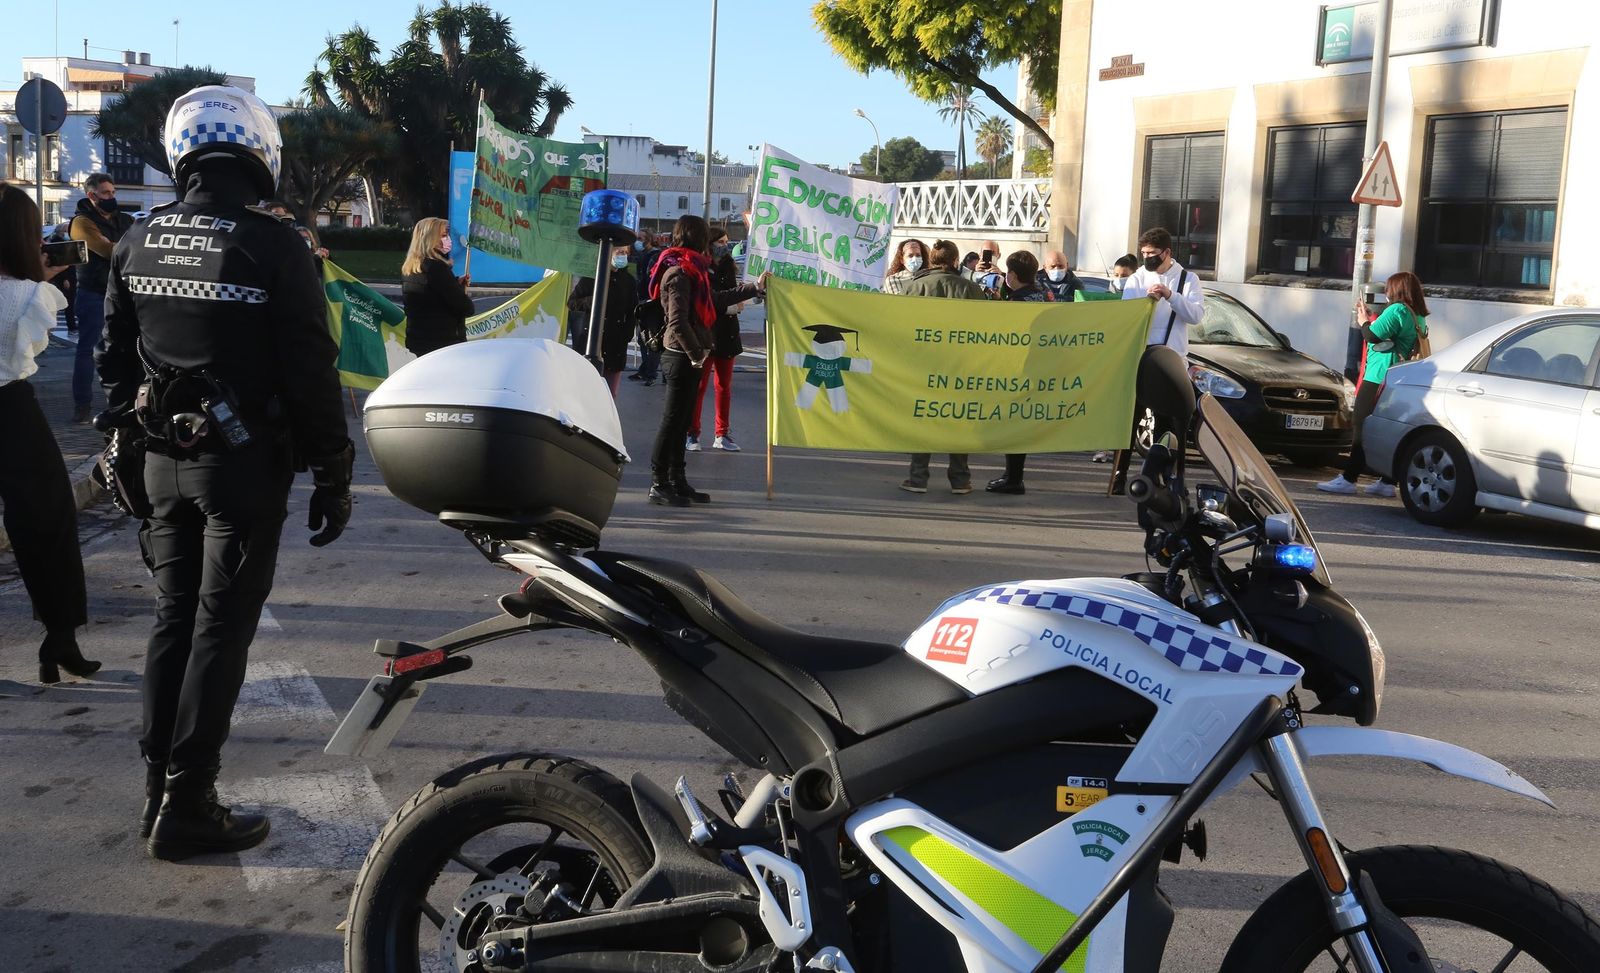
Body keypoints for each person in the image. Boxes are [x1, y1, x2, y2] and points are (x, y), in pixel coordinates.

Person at [96, 85, 353, 861]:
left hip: (159, 465)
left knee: (174, 618)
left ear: (183, 152)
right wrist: (333, 469)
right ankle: (189, 800)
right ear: (259, 152)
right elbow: (311, 366)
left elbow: (112, 368)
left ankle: (156, 791)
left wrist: (125, 446)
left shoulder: (135, 241)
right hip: (239, 465)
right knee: (221, 626)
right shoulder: (273, 245)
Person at [0, 183, 100, 684]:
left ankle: (60, 642)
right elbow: (27, 354)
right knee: (48, 521)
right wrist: (37, 278)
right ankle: (60, 637)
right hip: (11, 408)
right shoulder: (28, 295)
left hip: (13, 407)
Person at [648, 215, 765, 507]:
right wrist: (697, 355)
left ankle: (678, 479)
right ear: (697, 239)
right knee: (672, 422)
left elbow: (715, 298)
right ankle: (659, 483)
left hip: (689, 355)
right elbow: (677, 322)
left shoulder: (694, 271)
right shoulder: (679, 272)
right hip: (680, 356)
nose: (715, 247)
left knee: (682, 421)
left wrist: (753, 287)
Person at [1318, 271, 1430, 498]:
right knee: (1390, 427)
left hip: (1379, 375)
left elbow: (1372, 335)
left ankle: (1349, 478)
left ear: (1396, 290)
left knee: (1361, 424)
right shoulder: (1418, 315)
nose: (1386, 293)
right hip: (1400, 377)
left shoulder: (1397, 309)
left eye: (1388, 289)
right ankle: (1387, 481)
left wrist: (1363, 321)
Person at [1110, 228, 1205, 492]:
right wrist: (1145, 301)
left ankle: (1162, 475)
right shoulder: (1138, 278)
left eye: (1152, 254)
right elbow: (1127, 315)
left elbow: (1196, 315)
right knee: (1131, 418)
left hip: (1171, 359)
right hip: (1141, 357)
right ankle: (1120, 474)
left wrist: (1170, 295)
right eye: (1144, 254)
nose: (1148, 258)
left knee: (1166, 422)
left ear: (1167, 252)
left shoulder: (1187, 278)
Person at [900, 239, 986, 495]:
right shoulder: (971, 289)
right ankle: (960, 479)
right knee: (960, 420)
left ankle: (918, 478)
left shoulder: (915, 287)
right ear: (956, 261)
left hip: (924, 365)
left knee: (923, 418)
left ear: (931, 260)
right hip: (962, 366)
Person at [69, 173, 134, 422]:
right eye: (106, 193)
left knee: (126, 348)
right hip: (93, 293)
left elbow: (133, 247)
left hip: (122, 293)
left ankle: (122, 403)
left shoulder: (125, 219)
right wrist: (118, 245)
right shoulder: (81, 223)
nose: (112, 197)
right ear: (92, 195)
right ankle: (82, 406)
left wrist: (116, 245)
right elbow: (108, 250)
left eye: (113, 192)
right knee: (87, 350)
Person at [988, 250, 1051, 496]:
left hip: (1021, 368)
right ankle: (1011, 474)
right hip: (1043, 364)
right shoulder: (1045, 294)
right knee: (1022, 421)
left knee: (1015, 422)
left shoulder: (1017, 302)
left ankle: (1014, 478)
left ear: (1012, 274)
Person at [686, 228, 745, 452]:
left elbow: (733, 294)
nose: (725, 245)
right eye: (721, 241)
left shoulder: (729, 266)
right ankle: (692, 433)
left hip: (727, 334)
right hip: (706, 334)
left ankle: (722, 434)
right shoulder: (701, 267)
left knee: (724, 386)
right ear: (709, 243)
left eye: (727, 241)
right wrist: (730, 306)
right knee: (699, 386)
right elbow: (707, 300)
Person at [566, 247, 637, 396]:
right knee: (586, 391)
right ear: (608, 253)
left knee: (609, 394)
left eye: (625, 253)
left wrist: (627, 334)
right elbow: (572, 303)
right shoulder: (592, 277)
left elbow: (633, 311)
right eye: (620, 252)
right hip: (591, 341)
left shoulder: (628, 281)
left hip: (616, 345)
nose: (623, 256)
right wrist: (592, 301)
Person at [400, 217, 473, 357]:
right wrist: (457, 288)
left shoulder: (410, 268)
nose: (447, 240)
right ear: (430, 239)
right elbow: (465, 307)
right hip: (443, 343)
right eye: (444, 235)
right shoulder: (437, 268)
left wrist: (454, 282)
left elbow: (428, 294)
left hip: (419, 340)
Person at [630, 233, 670, 386]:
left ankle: (651, 372)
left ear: (649, 240)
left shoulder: (655, 256)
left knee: (652, 338)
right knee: (643, 338)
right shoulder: (642, 255)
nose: (638, 242)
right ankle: (646, 370)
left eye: (641, 239)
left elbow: (649, 278)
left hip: (651, 302)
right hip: (644, 299)